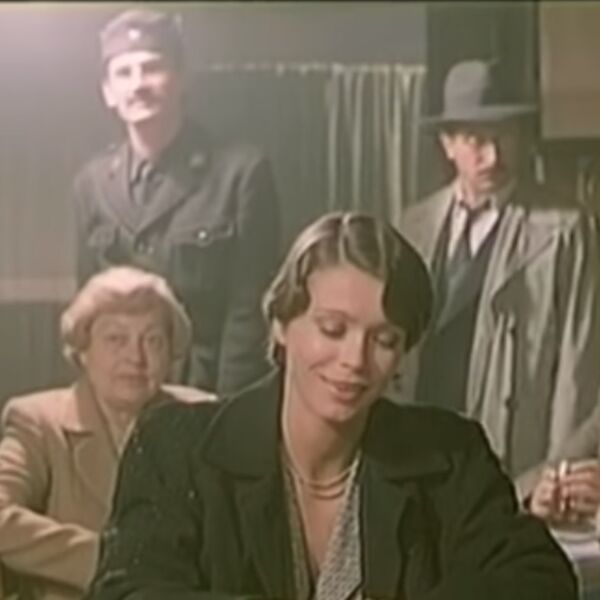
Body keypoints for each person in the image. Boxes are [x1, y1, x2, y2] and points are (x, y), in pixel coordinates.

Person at [87, 212, 576, 600]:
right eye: (333, 329)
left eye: (384, 339)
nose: (354, 360)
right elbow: (129, 592)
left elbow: (538, 579)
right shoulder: (176, 447)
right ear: (281, 324)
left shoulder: (449, 455)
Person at [398, 59, 600, 496]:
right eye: (475, 139)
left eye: (504, 136)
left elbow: (581, 367)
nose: (492, 155)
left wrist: (556, 474)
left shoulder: (564, 228)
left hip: (515, 457)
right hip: (424, 448)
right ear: (448, 144)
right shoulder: (415, 226)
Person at [73, 7, 280, 395]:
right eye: (123, 73)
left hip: (204, 390)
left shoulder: (240, 174)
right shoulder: (92, 184)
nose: (138, 84)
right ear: (108, 92)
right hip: (120, 393)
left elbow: (249, 312)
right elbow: (88, 311)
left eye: (152, 68)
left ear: (182, 78)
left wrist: (227, 409)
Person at [0, 266, 215, 600]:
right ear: (82, 349)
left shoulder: (203, 418)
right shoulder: (38, 422)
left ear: (171, 353)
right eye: (116, 339)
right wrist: (109, 561)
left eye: (153, 340)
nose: (135, 357)